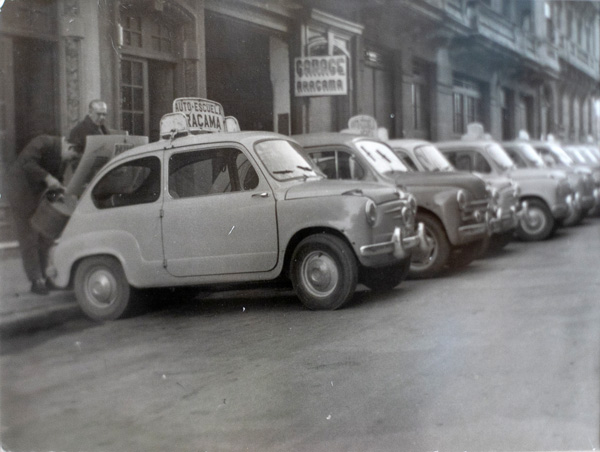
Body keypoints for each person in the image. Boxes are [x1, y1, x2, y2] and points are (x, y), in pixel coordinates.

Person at [6, 135, 78, 295]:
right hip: (20, 192)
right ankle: (36, 280)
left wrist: (59, 191)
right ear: (69, 146)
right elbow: (27, 163)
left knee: (46, 235)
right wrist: (47, 177)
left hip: (38, 195)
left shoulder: (63, 156)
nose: (71, 161)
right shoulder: (43, 142)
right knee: (28, 236)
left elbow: (57, 178)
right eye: (73, 157)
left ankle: (46, 277)